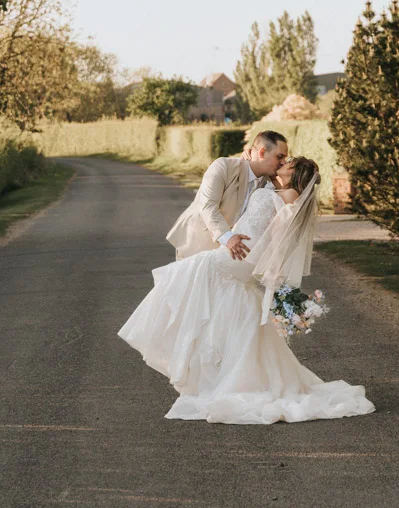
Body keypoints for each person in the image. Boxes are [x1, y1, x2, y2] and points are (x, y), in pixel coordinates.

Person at [118, 157, 376, 424]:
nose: (283, 164)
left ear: (296, 174)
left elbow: (274, 235)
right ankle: (220, 372)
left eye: (288, 164)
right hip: (242, 258)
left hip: (236, 258)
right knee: (217, 305)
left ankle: (192, 359)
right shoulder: (283, 193)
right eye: (282, 159)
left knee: (186, 278)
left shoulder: (288, 195)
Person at [166, 130, 288, 261]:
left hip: (233, 255)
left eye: (285, 158)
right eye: (279, 157)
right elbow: (208, 205)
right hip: (198, 242)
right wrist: (227, 237)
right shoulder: (223, 166)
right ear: (262, 152)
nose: (283, 162)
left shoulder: (269, 182)